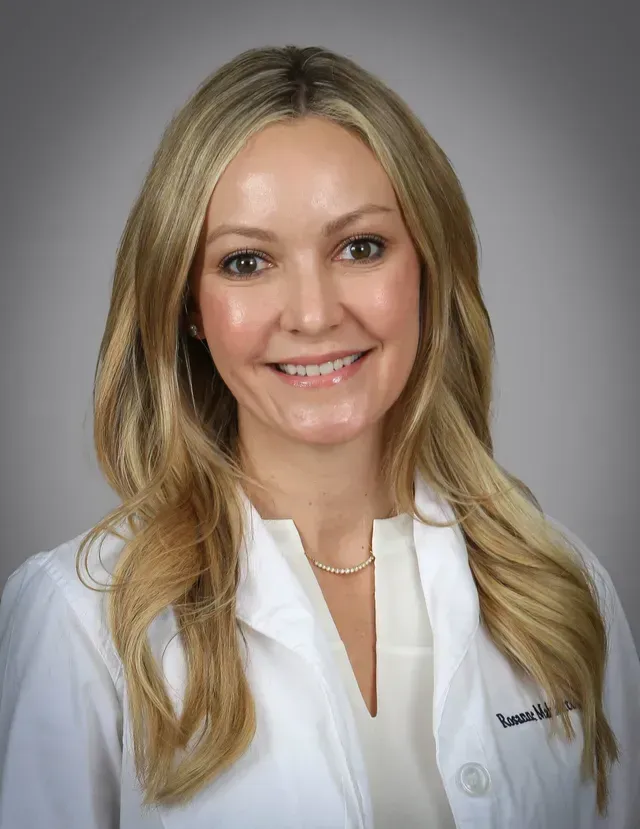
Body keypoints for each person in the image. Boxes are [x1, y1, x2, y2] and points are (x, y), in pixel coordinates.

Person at [0, 44, 638, 829]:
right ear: (188, 305)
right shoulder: (82, 622)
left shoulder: (562, 594)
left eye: (360, 247)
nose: (312, 313)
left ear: (427, 268)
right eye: (246, 261)